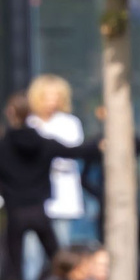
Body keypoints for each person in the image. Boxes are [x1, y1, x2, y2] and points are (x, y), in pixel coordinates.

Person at [0, 94, 64, 280]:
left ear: (10, 113)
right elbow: (76, 151)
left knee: (15, 270)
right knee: (58, 260)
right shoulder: (44, 143)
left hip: (15, 213)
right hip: (39, 210)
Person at [26, 77, 88, 249]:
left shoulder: (70, 123)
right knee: (32, 251)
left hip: (62, 195)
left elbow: (71, 155)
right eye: (47, 96)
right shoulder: (30, 123)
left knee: (60, 248)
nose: (52, 101)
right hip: (34, 198)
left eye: (56, 96)